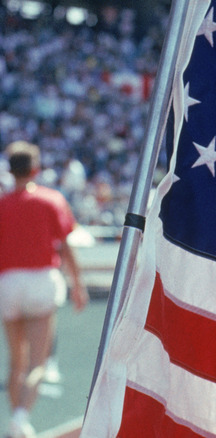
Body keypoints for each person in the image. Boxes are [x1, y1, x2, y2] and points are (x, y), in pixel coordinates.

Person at [0, 141, 89, 438]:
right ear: (36, 169)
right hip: (40, 280)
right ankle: (21, 418)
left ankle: (17, 422)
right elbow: (65, 247)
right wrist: (78, 285)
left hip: (8, 283)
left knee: (16, 363)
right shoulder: (51, 200)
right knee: (38, 361)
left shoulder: (2, 205)